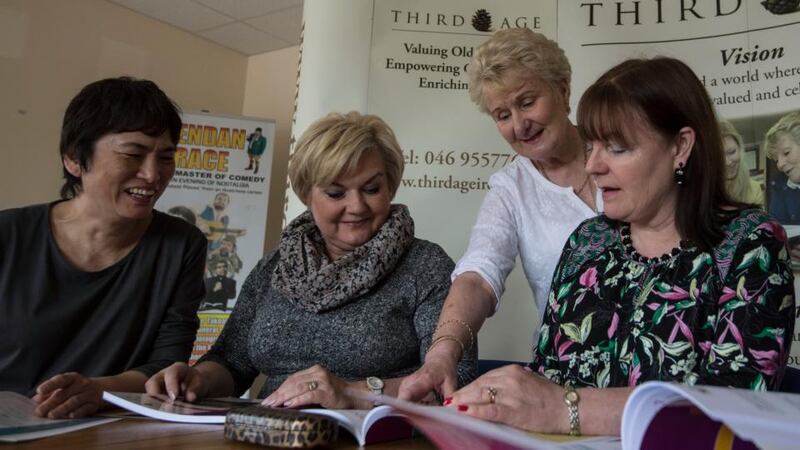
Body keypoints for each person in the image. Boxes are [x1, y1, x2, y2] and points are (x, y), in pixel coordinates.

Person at [444, 57, 795, 436]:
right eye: (592, 145)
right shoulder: (587, 243)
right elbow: (550, 375)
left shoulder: (750, 244)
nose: (593, 165)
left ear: (680, 146)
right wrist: (498, 398)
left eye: (617, 147)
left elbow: (736, 405)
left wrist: (564, 409)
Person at [146, 112, 477, 408]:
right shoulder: (273, 267)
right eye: (336, 193)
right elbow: (232, 362)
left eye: (371, 189)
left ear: (390, 187)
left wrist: (354, 392)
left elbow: (452, 380)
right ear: (306, 195)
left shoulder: (425, 265)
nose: (357, 206)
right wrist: (197, 378)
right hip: (271, 434)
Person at [400, 27, 601, 401]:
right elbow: (479, 274)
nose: (519, 125)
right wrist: (442, 352)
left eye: (527, 102)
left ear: (563, 87)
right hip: (567, 380)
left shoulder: (618, 146)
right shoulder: (511, 188)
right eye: (502, 114)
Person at [0, 77, 206, 418]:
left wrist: (100, 390)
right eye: (133, 154)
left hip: (110, 431)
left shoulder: (182, 245)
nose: (153, 175)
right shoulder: (9, 236)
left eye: (166, 157)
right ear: (73, 159)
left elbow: (166, 366)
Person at [719, 120, 763, 206]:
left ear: (740, 149)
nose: (727, 162)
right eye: (719, 157)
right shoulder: (703, 192)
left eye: (732, 152)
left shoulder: (754, 189)